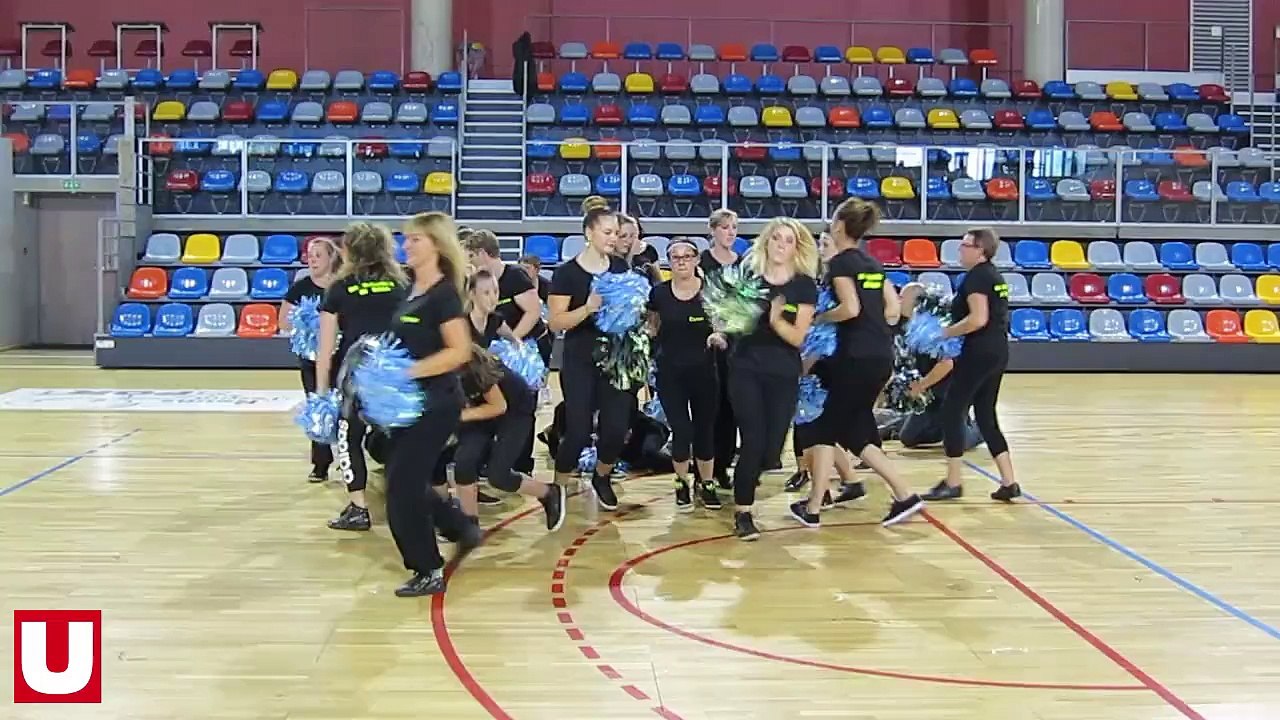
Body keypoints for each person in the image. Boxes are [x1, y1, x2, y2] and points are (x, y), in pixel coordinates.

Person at [793, 199, 925, 529]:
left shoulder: (839, 264)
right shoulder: (873, 265)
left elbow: (849, 309)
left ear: (839, 226)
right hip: (879, 354)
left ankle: (813, 508)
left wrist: (818, 318)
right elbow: (892, 310)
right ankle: (903, 496)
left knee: (825, 427)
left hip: (852, 358)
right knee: (856, 432)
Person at [381, 211, 483, 596]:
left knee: (401, 490)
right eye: (405, 240)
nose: (406, 246)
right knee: (402, 478)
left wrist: (407, 373)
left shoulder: (444, 295)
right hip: (408, 404)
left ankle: (428, 568)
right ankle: (460, 527)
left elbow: (459, 352)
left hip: (435, 404)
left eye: (415, 240)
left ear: (437, 245)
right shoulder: (410, 289)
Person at [725, 217, 818, 541]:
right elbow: (731, 319)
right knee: (752, 440)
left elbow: (797, 338)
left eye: (788, 240)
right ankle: (743, 512)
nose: (781, 244)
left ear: (797, 246)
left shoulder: (804, 285)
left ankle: (749, 479)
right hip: (745, 367)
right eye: (776, 238)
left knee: (771, 449)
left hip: (783, 370)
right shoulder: (748, 276)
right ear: (766, 242)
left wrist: (775, 318)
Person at [315, 224, 408, 532]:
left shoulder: (339, 288)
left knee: (348, 435)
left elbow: (325, 346)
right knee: (402, 437)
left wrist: (321, 390)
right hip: (398, 370)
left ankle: (358, 507)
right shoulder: (403, 282)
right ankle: (414, 502)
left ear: (349, 250)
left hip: (357, 373)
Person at [924, 227, 1022, 502]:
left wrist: (945, 332)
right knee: (985, 415)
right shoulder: (994, 275)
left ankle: (953, 481)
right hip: (997, 350)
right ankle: (1008, 480)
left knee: (952, 410)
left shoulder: (976, 278)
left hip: (978, 351)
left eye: (966, 245)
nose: (960, 249)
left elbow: (978, 319)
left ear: (981, 250)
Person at [547, 198, 633, 511]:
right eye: (607, 231)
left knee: (616, 428)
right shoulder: (567, 274)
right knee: (579, 428)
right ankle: (557, 488)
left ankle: (602, 476)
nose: (613, 237)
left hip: (616, 358)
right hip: (580, 357)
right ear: (588, 232)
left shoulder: (622, 267)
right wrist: (587, 308)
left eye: (616, 232)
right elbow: (556, 322)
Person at [440, 344, 567, 531]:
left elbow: (498, 406)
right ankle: (469, 528)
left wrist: (456, 416)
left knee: (498, 476)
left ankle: (548, 492)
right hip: (477, 410)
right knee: (464, 461)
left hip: (514, 409)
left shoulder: (473, 368)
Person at [646, 238, 724, 511]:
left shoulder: (710, 291)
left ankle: (707, 483)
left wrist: (719, 335)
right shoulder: (659, 294)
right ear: (669, 262)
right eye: (675, 257)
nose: (681, 261)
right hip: (670, 373)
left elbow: (721, 322)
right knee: (682, 430)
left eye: (686, 256)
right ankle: (681, 482)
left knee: (704, 431)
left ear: (696, 260)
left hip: (704, 372)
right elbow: (652, 326)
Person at [463, 230, 547, 474]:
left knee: (524, 401)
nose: (470, 260)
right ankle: (493, 458)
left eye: (471, 255)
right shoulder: (476, 283)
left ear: (481, 253)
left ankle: (522, 463)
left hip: (528, 345)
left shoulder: (515, 276)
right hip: (495, 348)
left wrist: (515, 344)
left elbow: (532, 312)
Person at [280, 236, 341, 482]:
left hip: (340, 356)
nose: (313, 260)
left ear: (331, 258)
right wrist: (305, 327)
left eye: (318, 255)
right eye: (310, 255)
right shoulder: (300, 288)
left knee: (347, 409)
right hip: (310, 360)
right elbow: (283, 322)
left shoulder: (340, 286)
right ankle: (321, 463)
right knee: (318, 407)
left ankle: (352, 459)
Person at [894, 283, 983, 450]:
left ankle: (978, 430)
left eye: (902, 298)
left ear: (916, 302)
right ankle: (943, 424)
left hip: (953, 389)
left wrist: (921, 385)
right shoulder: (910, 324)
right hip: (933, 391)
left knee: (959, 444)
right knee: (908, 437)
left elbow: (946, 363)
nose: (898, 301)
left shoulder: (934, 327)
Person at [699, 209, 741, 489]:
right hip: (710, 338)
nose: (730, 232)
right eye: (725, 227)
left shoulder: (743, 263)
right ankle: (706, 467)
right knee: (711, 407)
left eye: (734, 228)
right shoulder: (702, 263)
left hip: (737, 339)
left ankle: (724, 464)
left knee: (732, 406)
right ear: (713, 230)